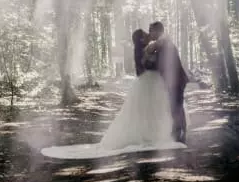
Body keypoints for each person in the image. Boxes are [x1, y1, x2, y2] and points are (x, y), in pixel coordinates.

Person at [41, 28, 185, 159]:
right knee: (145, 111)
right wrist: (152, 59)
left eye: (149, 34)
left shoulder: (149, 47)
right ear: (141, 39)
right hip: (147, 82)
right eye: (146, 35)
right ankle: (154, 134)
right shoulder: (143, 50)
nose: (149, 36)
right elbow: (143, 68)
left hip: (153, 82)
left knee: (153, 109)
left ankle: (163, 132)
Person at [145, 21, 188, 143]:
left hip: (176, 80)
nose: (150, 33)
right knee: (176, 105)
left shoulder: (165, 44)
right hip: (175, 80)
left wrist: (149, 61)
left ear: (158, 31)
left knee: (176, 106)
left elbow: (161, 64)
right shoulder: (162, 44)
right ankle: (179, 131)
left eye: (151, 31)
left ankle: (179, 133)